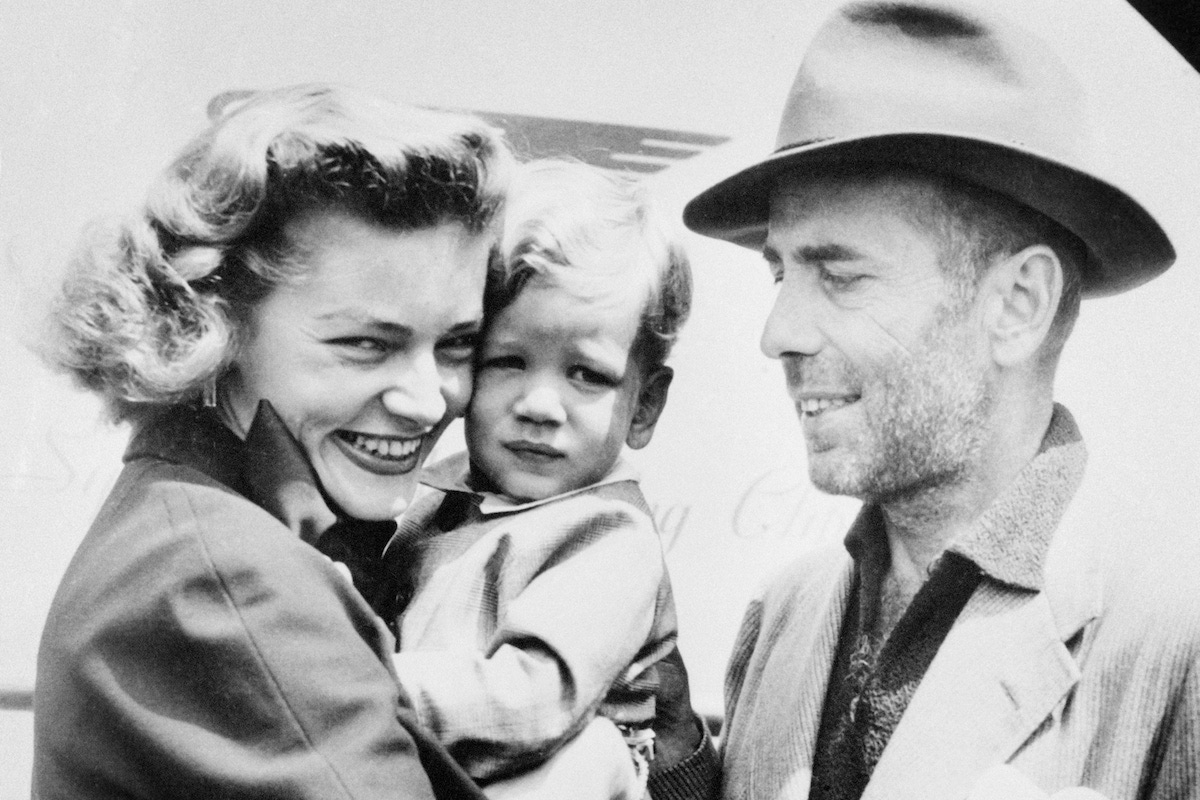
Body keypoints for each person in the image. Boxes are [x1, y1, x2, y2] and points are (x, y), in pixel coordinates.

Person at [31, 83, 638, 800]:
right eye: (364, 345)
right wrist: (596, 768)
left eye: (458, 345)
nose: (425, 401)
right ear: (214, 328)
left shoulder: (199, 519)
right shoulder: (226, 578)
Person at [676, 2, 1197, 799]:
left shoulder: (1175, 633)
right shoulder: (784, 614)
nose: (777, 333)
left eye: (841, 276)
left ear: (1018, 304)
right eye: (780, 272)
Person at [380, 159, 689, 796]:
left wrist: (363, 683)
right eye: (508, 362)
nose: (540, 405)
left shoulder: (607, 536)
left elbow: (530, 702)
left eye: (587, 374)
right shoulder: (434, 498)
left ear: (646, 404)